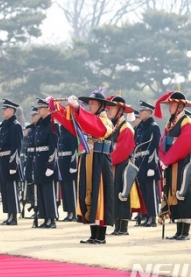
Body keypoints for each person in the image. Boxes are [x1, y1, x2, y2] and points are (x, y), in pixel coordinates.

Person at [49, 91, 115, 244]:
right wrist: (56, 107)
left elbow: (96, 128)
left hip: (100, 161)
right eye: (89, 103)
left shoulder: (105, 121)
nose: (89, 105)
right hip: (87, 158)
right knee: (88, 195)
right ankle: (93, 234)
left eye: (93, 103)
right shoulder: (90, 119)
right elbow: (72, 123)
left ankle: (101, 236)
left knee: (100, 197)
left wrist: (78, 108)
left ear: (101, 106)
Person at [155, 91, 191, 241]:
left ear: (180, 106)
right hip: (171, 163)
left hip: (182, 163)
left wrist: (167, 159)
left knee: (184, 195)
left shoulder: (187, 122)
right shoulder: (170, 123)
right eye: (170, 104)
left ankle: (185, 231)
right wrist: (162, 158)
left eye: (173, 104)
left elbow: (184, 144)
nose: (170, 107)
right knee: (172, 194)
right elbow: (163, 141)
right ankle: (178, 230)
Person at [106, 96, 137, 236]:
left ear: (120, 110)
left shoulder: (126, 128)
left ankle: (123, 227)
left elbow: (122, 150)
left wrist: (107, 160)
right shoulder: (114, 126)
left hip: (122, 166)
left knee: (122, 195)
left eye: (112, 108)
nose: (109, 110)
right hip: (114, 165)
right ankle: (117, 225)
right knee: (114, 195)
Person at [133, 101, 162, 227]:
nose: (140, 113)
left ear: (149, 112)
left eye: (142, 110)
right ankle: (146, 216)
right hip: (140, 162)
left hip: (149, 163)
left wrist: (152, 166)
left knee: (151, 193)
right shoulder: (139, 127)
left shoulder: (154, 127)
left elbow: (154, 148)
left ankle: (153, 217)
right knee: (144, 192)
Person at [0, 99, 24, 225]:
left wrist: (13, 164)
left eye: (5, 109)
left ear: (12, 111)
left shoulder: (15, 126)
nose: (3, 111)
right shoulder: (3, 126)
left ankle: (13, 216)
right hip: (3, 160)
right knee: (5, 190)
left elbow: (16, 147)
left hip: (10, 161)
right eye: (3, 109)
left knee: (12, 190)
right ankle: (8, 215)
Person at [33, 98, 59, 229]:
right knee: (41, 192)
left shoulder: (52, 123)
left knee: (49, 192)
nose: (38, 110)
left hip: (48, 161)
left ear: (48, 108)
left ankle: (51, 219)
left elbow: (54, 146)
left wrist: (51, 165)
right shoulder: (39, 124)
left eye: (41, 108)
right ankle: (44, 217)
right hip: (39, 160)